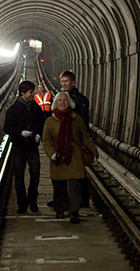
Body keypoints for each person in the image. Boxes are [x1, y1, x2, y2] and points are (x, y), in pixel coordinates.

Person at [42, 91, 98, 223]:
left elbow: (84, 136)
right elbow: (47, 140)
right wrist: (52, 153)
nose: (62, 103)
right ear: (55, 103)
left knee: (75, 185)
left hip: (75, 156)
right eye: (60, 101)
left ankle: (74, 211)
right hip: (59, 157)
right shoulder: (50, 121)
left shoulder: (76, 119)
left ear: (69, 103)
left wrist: (94, 152)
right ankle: (60, 209)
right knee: (59, 185)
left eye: (65, 100)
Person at [3, 80, 44, 214]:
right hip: (19, 148)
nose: (33, 94)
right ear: (22, 93)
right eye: (31, 92)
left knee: (35, 174)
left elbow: (41, 123)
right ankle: (22, 204)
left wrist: (38, 134)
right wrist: (20, 133)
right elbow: (7, 128)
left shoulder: (36, 108)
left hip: (32, 146)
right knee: (19, 177)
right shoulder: (13, 110)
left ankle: (32, 201)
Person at [59, 70, 92, 209]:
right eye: (62, 82)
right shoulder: (60, 97)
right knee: (66, 170)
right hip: (65, 140)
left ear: (73, 82)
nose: (64, 84)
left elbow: (83, 122)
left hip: (77, 141)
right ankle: (67, 200)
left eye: (66, 81)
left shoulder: (80, 100)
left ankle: (82, 200)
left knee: (78, 172)